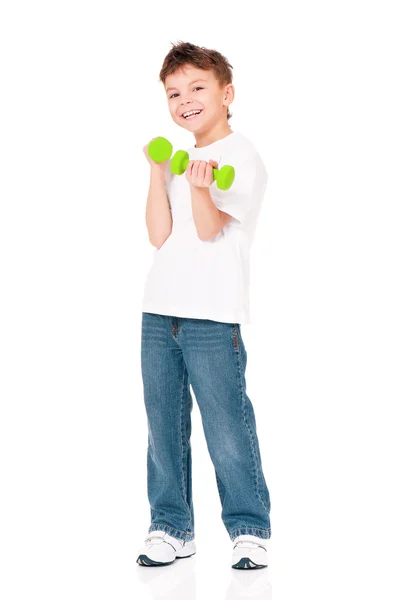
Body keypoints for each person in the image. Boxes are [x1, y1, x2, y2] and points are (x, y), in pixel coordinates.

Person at [136, 41, 271, 570]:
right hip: (159, 310)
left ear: (225, 92)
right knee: (162, 423)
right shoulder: (175, 160)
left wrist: (200, 189)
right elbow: (158, 235)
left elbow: (212, 229)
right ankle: (171, 527)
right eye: (174, 92)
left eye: (197, 87)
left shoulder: (243, 156)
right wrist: (156, 172)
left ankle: (250, 528)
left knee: (226, 423)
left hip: (213, 315)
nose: (185, 100)